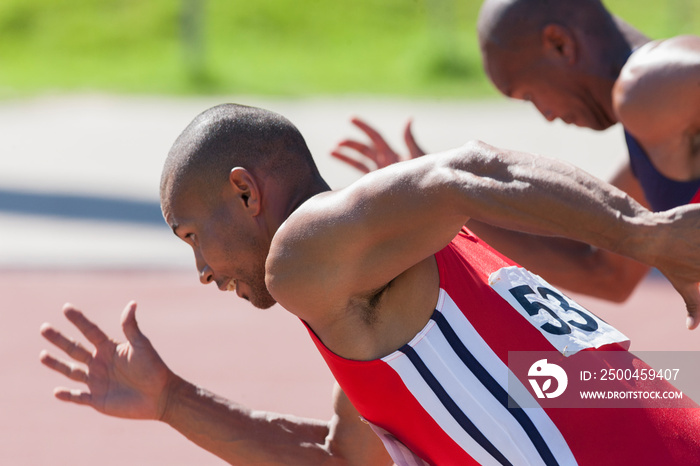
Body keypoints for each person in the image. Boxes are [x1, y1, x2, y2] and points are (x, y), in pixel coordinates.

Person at [40, 104, 700, 465]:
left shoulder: (299, 258)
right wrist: (172, 401)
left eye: (191, 237)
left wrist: (649, 236)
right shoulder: (384, 320)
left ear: (244, 191)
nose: (202, 270)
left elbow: (466, 168)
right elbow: (337, 463)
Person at [332, 0, 700, 304]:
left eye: (528, 94)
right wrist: (445, 198)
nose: (547, 115)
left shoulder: (647, 84)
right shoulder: (652, 139)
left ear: (559, 43)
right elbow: (604, 273)